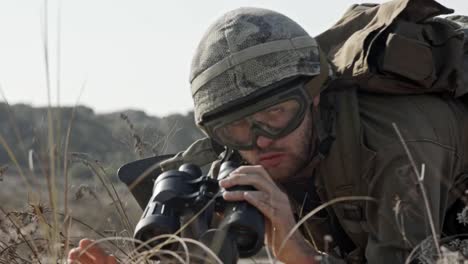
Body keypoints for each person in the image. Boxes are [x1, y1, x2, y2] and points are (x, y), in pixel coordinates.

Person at [69, 2, 468, 264]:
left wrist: (295, 251)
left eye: (277, 113)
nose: (260, 141)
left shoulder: (396, 145)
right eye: (237, 127)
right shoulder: (231, 162)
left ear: (312, 98)